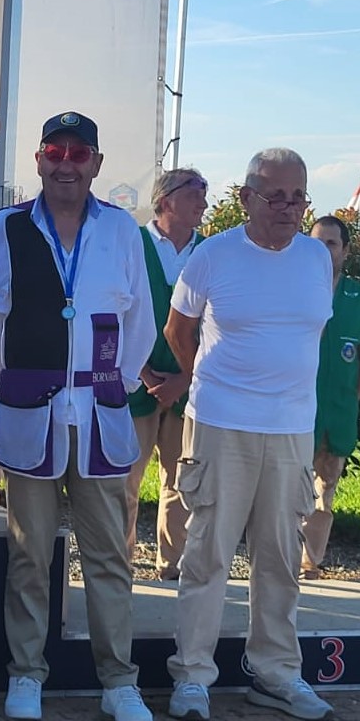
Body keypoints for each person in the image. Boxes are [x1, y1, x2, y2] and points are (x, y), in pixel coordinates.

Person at [0, 112, 156, 721]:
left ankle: (118, 680)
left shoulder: (122, 229)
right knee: (30, 552)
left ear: (96, 164)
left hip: (97, 412)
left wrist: (118, 383)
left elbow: (139, 318)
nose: (66, 164)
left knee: (109, 554)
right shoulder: (7, 227)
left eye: (79, 153)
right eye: (55, 152)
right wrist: (1, 385)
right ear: (39, 159)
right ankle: (26, 672)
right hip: (32, 409)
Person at [163, 148, 335, 721]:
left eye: (297, 197)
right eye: (274, 196)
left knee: (281, 559)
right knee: (207, 556)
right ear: (245, 198)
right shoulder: (212, 255)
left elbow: (308, 335)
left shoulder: (316, 258)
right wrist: (209, 382)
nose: (288, 208)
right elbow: (178, 330)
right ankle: (192, 676)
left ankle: (276, 673)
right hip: (220, 424)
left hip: (291, 430)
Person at [125, 168, 208, 580]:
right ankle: (118, 564)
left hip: (187, 389)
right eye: (194, 193)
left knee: (181, 483)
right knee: (125, 481)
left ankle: (172, 566)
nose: (203, 203)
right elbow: (114, 310)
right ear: (166, 199)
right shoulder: (132, 244)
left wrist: (183, 379)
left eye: (205, 194)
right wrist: (140, 371)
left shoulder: (208, 252)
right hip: (134, 384)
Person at [300, 215, 360, 580]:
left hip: (337, 414)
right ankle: (280, 557)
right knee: (286, 489)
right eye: (316, 244)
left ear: (345, 251)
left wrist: (349, 399)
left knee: (324, 492)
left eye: (331, 244)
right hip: (294, 412)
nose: (323, 251)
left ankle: (309, 562)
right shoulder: (294, 289)